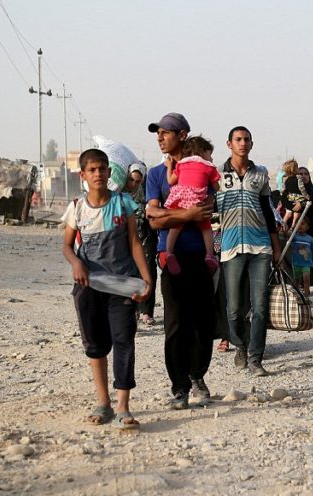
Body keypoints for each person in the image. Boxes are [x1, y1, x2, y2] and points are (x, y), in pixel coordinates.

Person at [62, 149, 153, 430]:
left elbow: (134, 243)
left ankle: (123, 405)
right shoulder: (77, 207)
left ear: (109, 172)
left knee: (124, 340)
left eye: (102, 169)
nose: (98, 174)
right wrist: (76, 263)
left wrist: (147, 280)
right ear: (83, 175)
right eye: (92, 170)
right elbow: (67, 246)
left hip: (122, 285)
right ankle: (104, 402)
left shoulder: (123, 203)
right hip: (89, 286)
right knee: (96, 345)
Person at [145, 112, 216, 409]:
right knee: (175, 325)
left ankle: (197, 375)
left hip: (201, 256)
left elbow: (206, 209)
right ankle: (179, 386)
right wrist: (186, 214)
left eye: (166, 132)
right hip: (170, 256)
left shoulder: (201, 168)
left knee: (203, 323)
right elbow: (153, 219)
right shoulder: (156, 175)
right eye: (158, 133)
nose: (160, 138)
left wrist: (169, 213)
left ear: (183, 135)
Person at [217, 126, 280, 376]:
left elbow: (268, 212)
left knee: (260, 306)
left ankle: (256, 358)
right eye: (238, 139)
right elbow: (210, 210)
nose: (242, 143)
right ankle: (240, 345)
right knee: (233, 308)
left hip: (260, 246)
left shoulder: (260, 174)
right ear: (229, 144)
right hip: (231, 247)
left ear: (252, 144)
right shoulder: (217, 175)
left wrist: (276, 247)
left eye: (246, 140)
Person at [161, 136, 221, 275]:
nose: (211, 157)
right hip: (198, 203)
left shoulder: (181, 164)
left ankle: (169, 253)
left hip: (181, 200)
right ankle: (209, 255)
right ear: (202, 152)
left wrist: (169, 166)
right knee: (206, 228)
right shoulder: (209, 167)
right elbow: (217, 187)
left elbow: (170, 181)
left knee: (175, 227)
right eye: (209, 154)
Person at [124, 163, 158, 326]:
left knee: (148, 270)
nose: (133, 184)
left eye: (138, 181)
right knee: (130, 273)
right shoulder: (121, 193)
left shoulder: (147, 191)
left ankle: (147, 311)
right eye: (131, 180)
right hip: (127, 236)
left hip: (146, 234)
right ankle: (133, 309)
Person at [290, 217, 313, 299]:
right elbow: (287, 235)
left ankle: (306, 297)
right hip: (296, 263)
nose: (300, 226)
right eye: (298, 224)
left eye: (302, 224)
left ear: (307, 227)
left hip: (306, 263)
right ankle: (296, 297)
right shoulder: (294, 237)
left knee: (306, 279)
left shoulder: (310, 239)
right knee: (296, 281)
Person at [279, 159, 310, 229]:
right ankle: (293, 225)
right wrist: (306, 196)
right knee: (297, 212)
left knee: (288, 213)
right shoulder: (298, 178)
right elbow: (302, 188)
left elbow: (283, 189)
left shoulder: (285, 179)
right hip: (297, 196)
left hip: (289, 197)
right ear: (294, 169)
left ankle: (282, 225)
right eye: (297, 168)